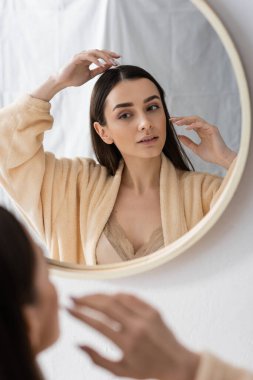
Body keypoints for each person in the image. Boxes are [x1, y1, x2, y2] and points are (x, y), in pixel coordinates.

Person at [0, 49, 237, 265]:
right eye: (125, 115)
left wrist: (228, 159)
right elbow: (6, 145)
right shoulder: (73, 188)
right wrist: (57, 82)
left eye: (152, 108)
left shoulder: (207, 194)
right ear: (103, 132)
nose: (145, 123)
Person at [0, 205, 252, 380]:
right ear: (28, 324)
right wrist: (183, 366)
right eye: (45, 268)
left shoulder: (198, 188)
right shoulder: (78, 185)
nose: (144, 125)